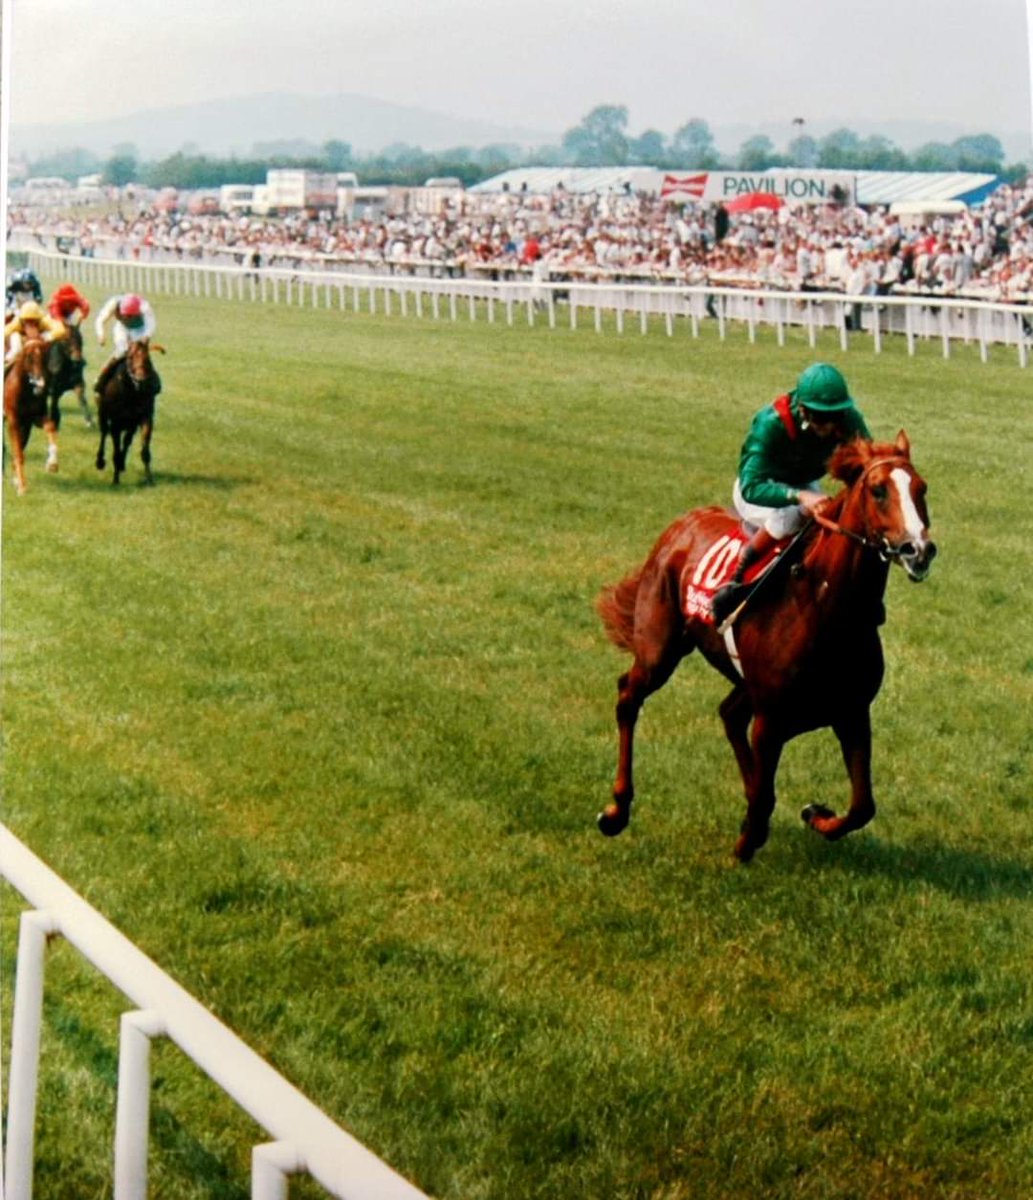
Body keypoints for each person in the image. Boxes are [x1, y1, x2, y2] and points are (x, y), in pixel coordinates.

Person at [710, 362, 872, 625]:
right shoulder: (770, 423)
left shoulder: (848, 419)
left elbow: (869, 465)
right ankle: (737, 580)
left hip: (805, 483)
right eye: (821, 418)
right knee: (788, 517)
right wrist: (798, 497)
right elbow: (752, 485)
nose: (831, 426)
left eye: (836, 416)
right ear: (803, 410)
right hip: (760, 491)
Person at [93, 293, 160, 395]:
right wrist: (101, 334)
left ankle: (154, 382)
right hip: (122, 328)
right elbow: (100, 320)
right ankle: (101, 378)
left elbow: (151, 324)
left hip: (140, 330)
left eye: (132, 316)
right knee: (121, 351)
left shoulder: (144, 307)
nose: (129, 318)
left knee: (140, 354)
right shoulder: (114, 304)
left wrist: (146, 336)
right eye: (127, 316)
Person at [3, 299, 67, 369]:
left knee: (55, 341)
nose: (30, 323)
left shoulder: (44, 321)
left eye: (33, 321)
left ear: (38, 319)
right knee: (15, 339)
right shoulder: (17, 322)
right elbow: (5, 331)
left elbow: (61, 329)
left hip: (40, 340)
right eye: (27, 321)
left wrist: (46, 337)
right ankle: (7, 364)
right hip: (23, 340)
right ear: (22, 320)